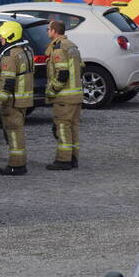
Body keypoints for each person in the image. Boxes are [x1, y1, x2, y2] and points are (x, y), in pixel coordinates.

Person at [0, 20, 35, 176]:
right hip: (24, 99)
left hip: (13, 101)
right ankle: (19, 163)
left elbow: (7, 82)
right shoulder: (26, 51)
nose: (1, 40)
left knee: (13, 132)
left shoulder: (9, 55)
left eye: (2, 37)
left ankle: (16, 165)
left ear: (9, 36)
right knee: (17, 131)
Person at [45, 19, 84, 171]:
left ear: (54, 31)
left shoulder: (59, 49)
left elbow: (62, 74)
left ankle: (63, 160)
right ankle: (73, 158)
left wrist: (52, 90)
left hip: (64, 97)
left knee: (62, 127)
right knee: (72, 127)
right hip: (76, 95)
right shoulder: (72, 46)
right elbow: (81, 68)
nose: (47, 31)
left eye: (48, 29)